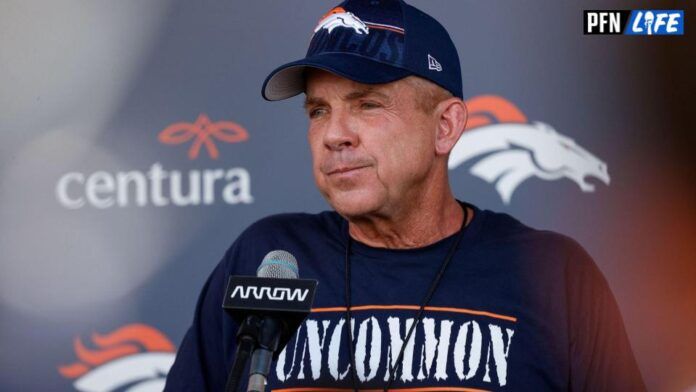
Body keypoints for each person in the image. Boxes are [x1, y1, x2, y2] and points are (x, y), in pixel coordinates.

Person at [165, 0, 646, 390]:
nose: (335, 135)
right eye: (317, 111)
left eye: (367, 105)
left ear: (445, 126)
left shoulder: (552, 275)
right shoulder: (268, 256)